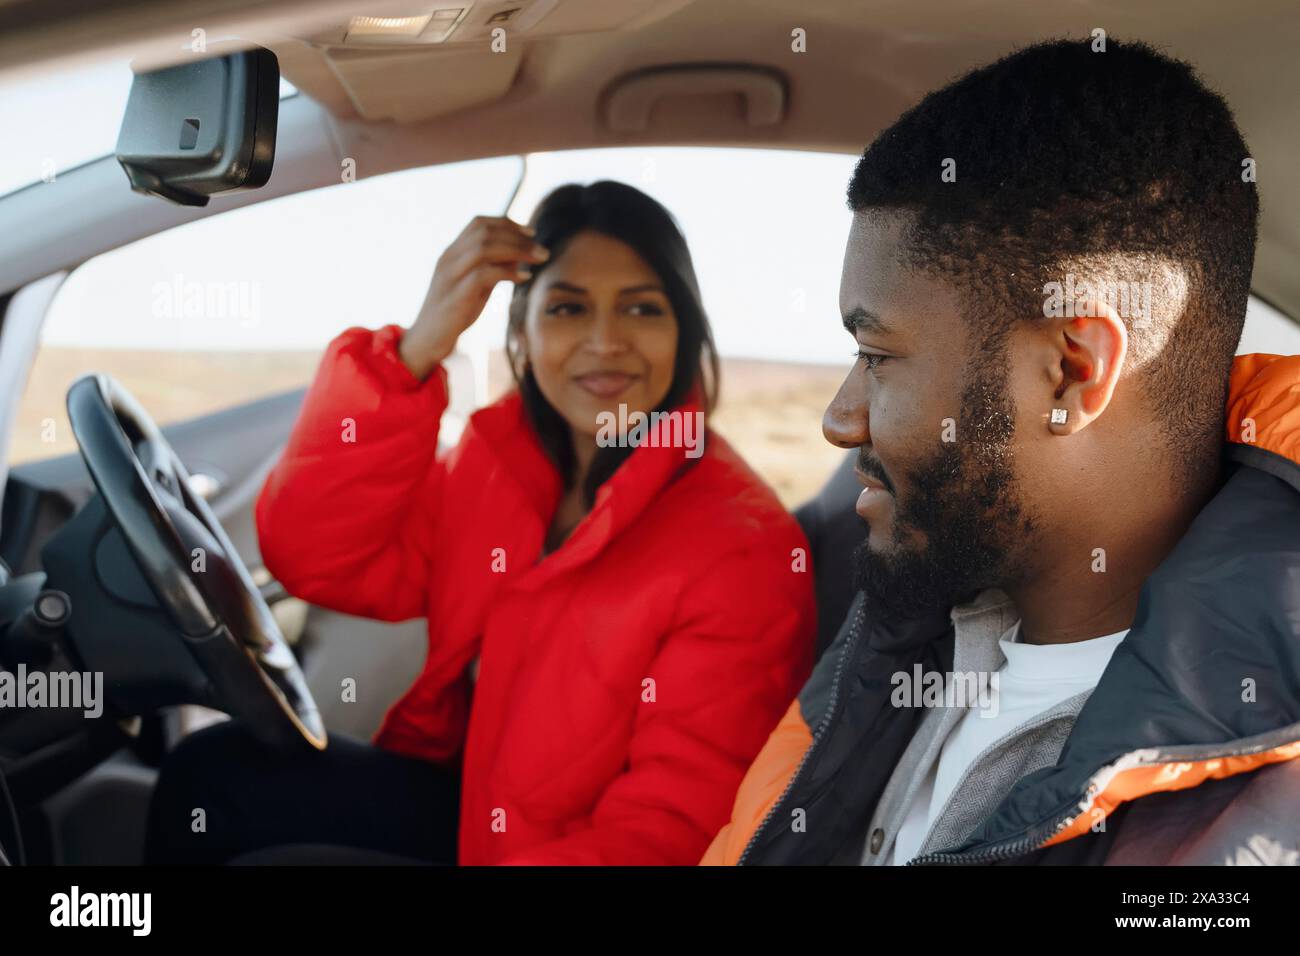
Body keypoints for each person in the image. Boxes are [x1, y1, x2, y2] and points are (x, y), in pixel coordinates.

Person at [705, 38, 1300, 866]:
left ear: (1072, 372)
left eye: (878, 358)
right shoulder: (913, 620)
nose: (840, 421)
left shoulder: (1267, 818)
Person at [146, 180, 815, 866]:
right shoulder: (500, 469)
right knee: (213, 776)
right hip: (475, 808)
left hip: (552, 853)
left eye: (642, 308)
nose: (606, 341)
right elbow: (315, 555)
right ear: (520, 330)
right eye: (567, 307)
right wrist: (413, 353)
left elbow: (669, 833)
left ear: (686, 331)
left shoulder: (743, 549)